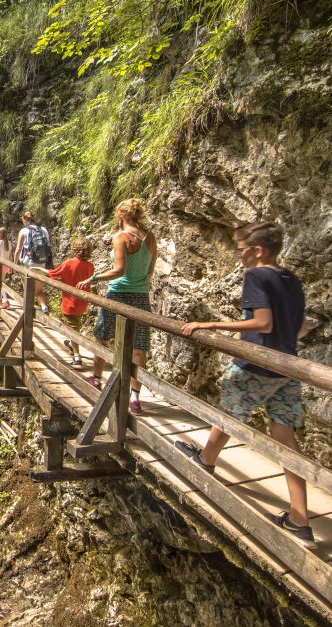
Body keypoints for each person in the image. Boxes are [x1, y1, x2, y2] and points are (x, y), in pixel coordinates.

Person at [176, 222, 312, 548]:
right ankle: (300, 519)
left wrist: (210, 324)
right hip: (287, 367)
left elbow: (262, 322)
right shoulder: (290, 278)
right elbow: (302, 327)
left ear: (258, 250)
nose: (239, 256)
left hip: (256, 364)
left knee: (229, 414)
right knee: (286, 440)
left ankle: (205, 460)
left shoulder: (256, 276)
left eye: (242, 250)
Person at [78, 198, 157, 415]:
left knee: (102, 336)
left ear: (120, 215)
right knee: (139, 347)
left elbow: (119, 270)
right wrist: (138, 282)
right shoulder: (150, 237)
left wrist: (93, 278)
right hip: (141, 297)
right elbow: (150, 271)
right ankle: (135, 398)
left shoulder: (121, 237)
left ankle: (96, 378)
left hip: (118, 294)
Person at [48, 237, 95, 369]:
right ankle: (70, 343)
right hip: (83, 302)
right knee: (75, 325)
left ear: (74, 249)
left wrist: (39, 270)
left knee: (73, 329)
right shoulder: (90, 266)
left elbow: (53, 274)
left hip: (70, 301)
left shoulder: (69, 262)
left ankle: (77, 357)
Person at [13, 211, 51, 314]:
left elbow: (18, 249)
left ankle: (27, 312)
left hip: (28, 263)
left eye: (22, 220)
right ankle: (44, 307)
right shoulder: (44, 230)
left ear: (25, 220)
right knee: (38, 290)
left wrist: (14, 264)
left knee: (27, 289)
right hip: (42, 262)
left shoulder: (24, 231)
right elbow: (48, 246)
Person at [0, 227, 12, 309]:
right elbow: (11, 256)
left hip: (0, 264)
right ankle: (2, 301)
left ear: (0, 234)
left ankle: (5, 301)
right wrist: (10, 267)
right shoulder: (9, 242)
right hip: (6, 264)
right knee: (1, 282)